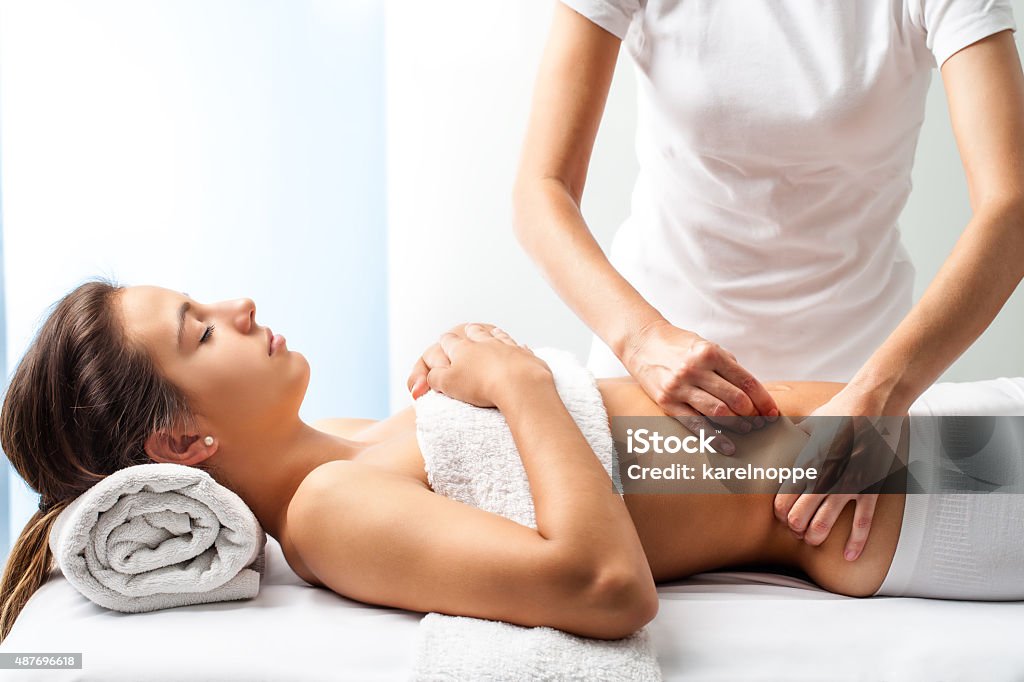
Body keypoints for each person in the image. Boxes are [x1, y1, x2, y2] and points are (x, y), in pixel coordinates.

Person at [1, 281, 1022, 644]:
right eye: (199, 330)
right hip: (895, 502)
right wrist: (519, 381)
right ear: (183, 443)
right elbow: (605, 586)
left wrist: (489, 372)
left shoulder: (353, 441)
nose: (240, 306)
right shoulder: (325, 515)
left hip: (899, 438)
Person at [512, 0, 1024, 558]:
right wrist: (641, 340)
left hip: (855, 401)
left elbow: (1012, 206)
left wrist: (884, 391)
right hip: (662, 389)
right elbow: (541, 188)